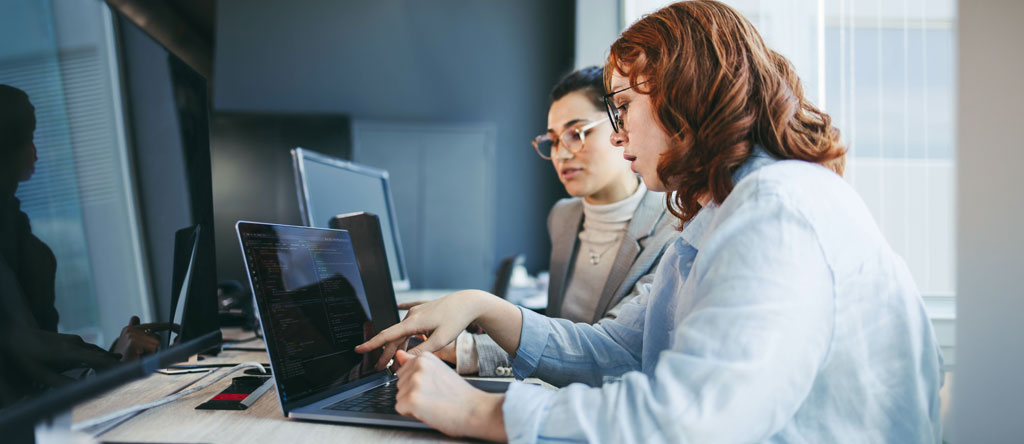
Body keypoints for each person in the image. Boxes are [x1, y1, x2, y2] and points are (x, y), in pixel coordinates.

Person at [356, 1, 944, 442]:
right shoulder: (721, 211)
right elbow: (619, 350)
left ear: (685, 95)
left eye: (623, 106)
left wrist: (477, 411)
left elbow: (690, 420)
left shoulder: (776, 214)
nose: (616, 133)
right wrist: (486, 306)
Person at [423, 67, 675, 377]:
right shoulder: (563, 217)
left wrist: (467, 348)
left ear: (619, 124)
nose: (561, 154)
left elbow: (606, 350)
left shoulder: (674, 226)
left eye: (576, 133)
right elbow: (554, 335)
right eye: (553, 140)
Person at [0, 84, 172, 406]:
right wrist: (108, 366)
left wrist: (111, 359)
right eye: (28, 140)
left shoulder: (14, 228)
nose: (35, 153)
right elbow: (20, 361)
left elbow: (35, 371)